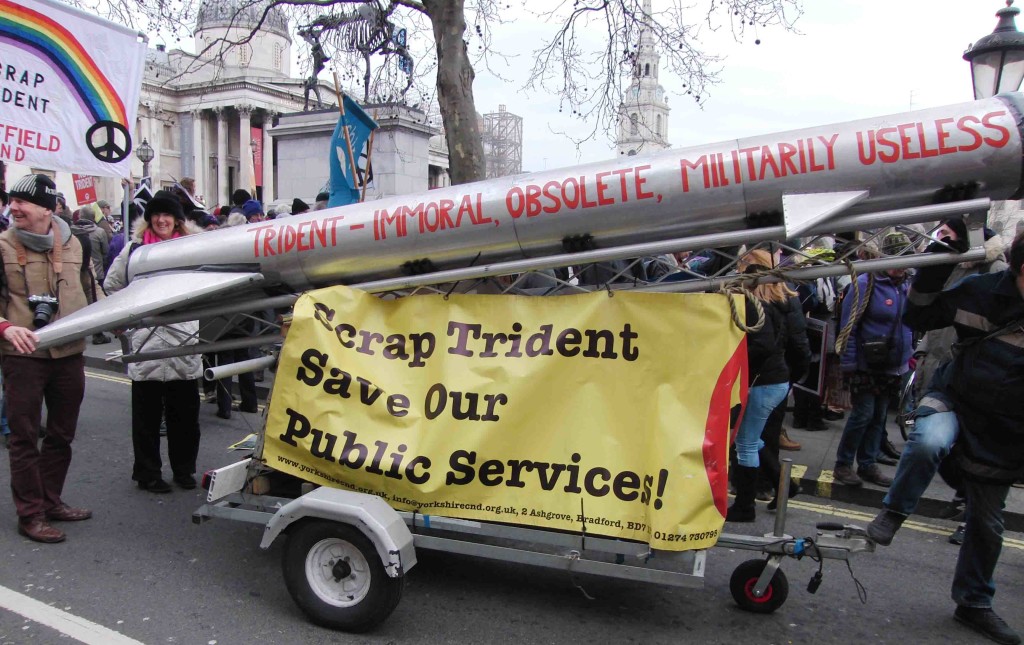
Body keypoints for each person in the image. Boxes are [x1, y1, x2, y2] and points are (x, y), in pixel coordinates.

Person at [866, 230, 1024, 645]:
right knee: (928, 441)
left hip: (1005, 431)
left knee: (988, 526)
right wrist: (938, 261)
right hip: (954, 399)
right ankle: (895, 512)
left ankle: (973, 602)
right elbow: (919, 315)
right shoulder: (982, 290)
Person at [0, 174, 91, 543]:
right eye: (12, 201)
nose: (14, 208)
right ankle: (31, 515)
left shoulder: (75, 243)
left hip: (69, 352)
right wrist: (6, 327)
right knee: (23, 437)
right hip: (24, 356)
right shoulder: (2, 245)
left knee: (61, 434)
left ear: (48, 208)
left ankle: (51, 501)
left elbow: (89, 287)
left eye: (22, 202)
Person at [104, 191, 203, 494]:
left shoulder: (193, 248)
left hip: (183, 340)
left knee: (185, 416)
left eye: (168, 215)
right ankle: (147, 473)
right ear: (149, 218)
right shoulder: (133, 249)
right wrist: (127, 317)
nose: (161, 220)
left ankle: (184, 470)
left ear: (177, 220)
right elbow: (112, 284)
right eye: (156, 214)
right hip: (145, 342)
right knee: (146, 419)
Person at [727, 248, 809, 522]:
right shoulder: (788, 299)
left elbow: (760, 346)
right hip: (778, 379)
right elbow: (799, 345)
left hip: (762, 380)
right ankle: (786, 485)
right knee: (754, 437)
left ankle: (744, 506)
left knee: (747, 442)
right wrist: (793, 377)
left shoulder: (751, 304)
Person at [831, 235, 913, 488]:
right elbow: (848, 326)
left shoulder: (907, 285)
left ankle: (867, 464)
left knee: (878, 416)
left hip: (892, 363)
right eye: (895, 259)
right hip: (865, 363)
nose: (899, 266)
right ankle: (843, 464)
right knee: (863, 414)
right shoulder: (865, 283)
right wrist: (849, 363)